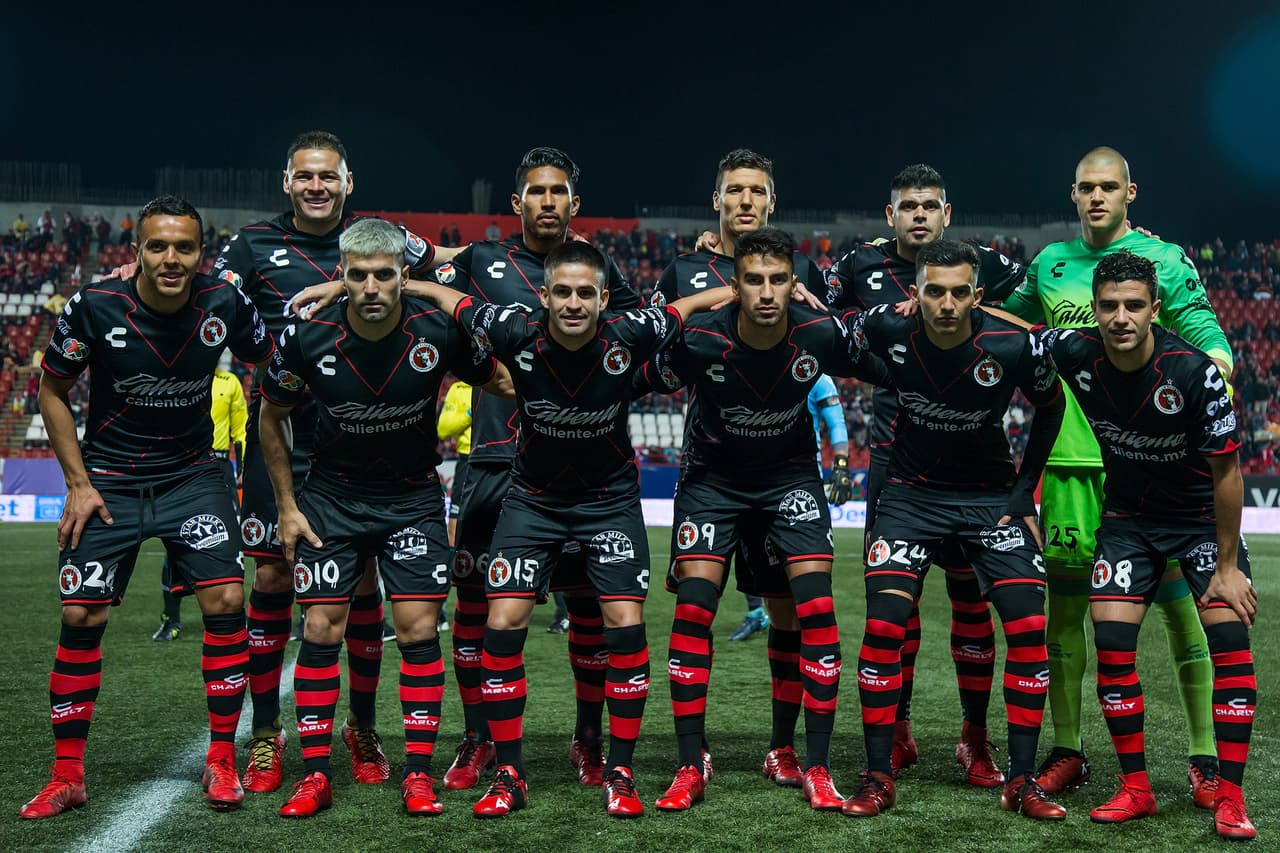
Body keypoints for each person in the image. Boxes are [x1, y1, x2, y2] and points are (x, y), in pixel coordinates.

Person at [416, 240, 728, 818]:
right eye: (563, 291)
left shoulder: (630, 332)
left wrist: (740, 289)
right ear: (544, 295)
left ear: (605, 298)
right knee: (502, 621)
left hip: (608, 502)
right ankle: (509, 773)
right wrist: (379, 285)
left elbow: (688, 308)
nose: (575, 303)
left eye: (587, 292)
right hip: (531, 501)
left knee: (624, 624)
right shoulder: (514, 329)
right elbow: (446, 296)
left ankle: (620, 770)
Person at [20, 196, 275, 819]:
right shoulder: (94, 305)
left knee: (226, 601)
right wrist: (78, 484)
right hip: (110, 480)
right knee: (80, 617)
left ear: (200, 253)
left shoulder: (225, 302)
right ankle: (68, 774)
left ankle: (220, 758)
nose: (170, 258)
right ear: (137, 250)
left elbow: (274, 363)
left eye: (183, 247)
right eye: (157, 246)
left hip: (194, 477)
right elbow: (51, 390)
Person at [211, 131, 448, 795]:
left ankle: (363, 726)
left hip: (367, 439)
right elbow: (209, 295)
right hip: (285, 434)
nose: (317, 186)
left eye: (329, 176)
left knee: (367, 584)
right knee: (272, 585)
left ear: (350, 182)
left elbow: (454, 268)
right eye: (305, 176)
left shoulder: (384, 239)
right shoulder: (252, 244)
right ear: (287, 183)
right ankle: (265, 734)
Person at [1000, 148, 1233, 803]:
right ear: (1072, 194)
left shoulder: (1164, 261)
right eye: (1086, 188)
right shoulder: (1049, 265)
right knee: (1066, 616)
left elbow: (1209, 337)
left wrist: (1216, 377)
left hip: (1151, 468)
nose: (1097, 197)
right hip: (1069, 467)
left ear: (1131, 191)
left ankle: (1204, 757)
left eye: (1109, 186)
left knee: (1183, 614)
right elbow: (1003, 319)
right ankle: (1070, 749)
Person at [259, 218, 511, 818]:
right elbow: (271, 418)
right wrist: (288, 509)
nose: (371, 287)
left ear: (404, 277)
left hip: (412, 501)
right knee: (320, 632)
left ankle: (418, 774)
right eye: (357, 275)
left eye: (384, 275)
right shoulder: (306, 335)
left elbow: (500, 379)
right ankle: (315, 775)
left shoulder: (437, 329)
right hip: (331, 501)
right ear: (339, 278)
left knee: (420, 633)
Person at [641, 228, 888, 812]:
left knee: (816, 611)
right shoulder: (700, 338)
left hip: (789, 481)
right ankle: (688, 763)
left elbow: (896, 359)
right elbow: (632, 372)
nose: (768, 291)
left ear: (793, 283)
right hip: (712, 483)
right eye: (755, 280)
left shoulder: (819, 333)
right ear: (735, 284)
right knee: (694, 613)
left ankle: (814, 764)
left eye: (779, 279)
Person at [1027, 251, 1257, 840]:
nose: (1120, 317)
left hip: (1199, 521)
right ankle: (1136, 787)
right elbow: (1008, 329)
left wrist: (1228, 568)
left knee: (1228, 639)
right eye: (1108, 306)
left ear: (1155, 309)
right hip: (1128, 521)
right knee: (1112, 644)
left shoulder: (1192, 373)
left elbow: (1228, 473)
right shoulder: (1075, 352)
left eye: (1134, 305)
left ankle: (1230, 796)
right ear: (1094, 312)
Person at [838, 239, 1066, 821]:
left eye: (958, 292)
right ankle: (877, 776)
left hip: (991, 500)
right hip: (911, 497)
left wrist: (1023, 491)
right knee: (885, 625)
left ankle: (1021, 780)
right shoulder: (887, 330)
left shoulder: (1011, 344)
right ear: (914, 292)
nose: (945, 303)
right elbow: (830, 335)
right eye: (933, 291)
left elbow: (1052, 404)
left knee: (1029, 624)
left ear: (978, 294)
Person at [826, 164, 1025, 782]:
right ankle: (901, 733)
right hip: (895, 458)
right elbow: (812, 316)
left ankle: (975, 737)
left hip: (974, 459)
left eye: (929, 205)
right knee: (895, 605)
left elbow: (1040, 308)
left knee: (971, 601)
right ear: (891, 215)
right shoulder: (857, 266)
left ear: (947, 214)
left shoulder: (984, 265)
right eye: (908, 205)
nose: (919, 214)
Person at [153, 352, 248, 642]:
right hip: (180, 465)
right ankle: (171, 619)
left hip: (219, 467)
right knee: (174, 544)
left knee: (228, 541)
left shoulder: (229, 382)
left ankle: (231, 610)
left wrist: (242, 468)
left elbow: (240, 428)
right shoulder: (179, 376)